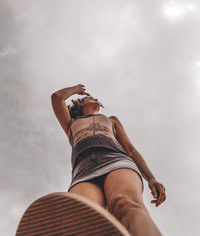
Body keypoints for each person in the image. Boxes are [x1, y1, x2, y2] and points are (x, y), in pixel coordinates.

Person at [51, 84, 166, 236]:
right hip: (83, 172)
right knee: (82, 218)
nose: (96, 99)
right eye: (91, 98)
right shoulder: (71, 124)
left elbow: (131, 150)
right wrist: (77, 89)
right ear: (80, 103)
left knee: (125, 205)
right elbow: (57, 98)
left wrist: (151, 178)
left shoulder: (112, 121)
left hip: (116, 162)